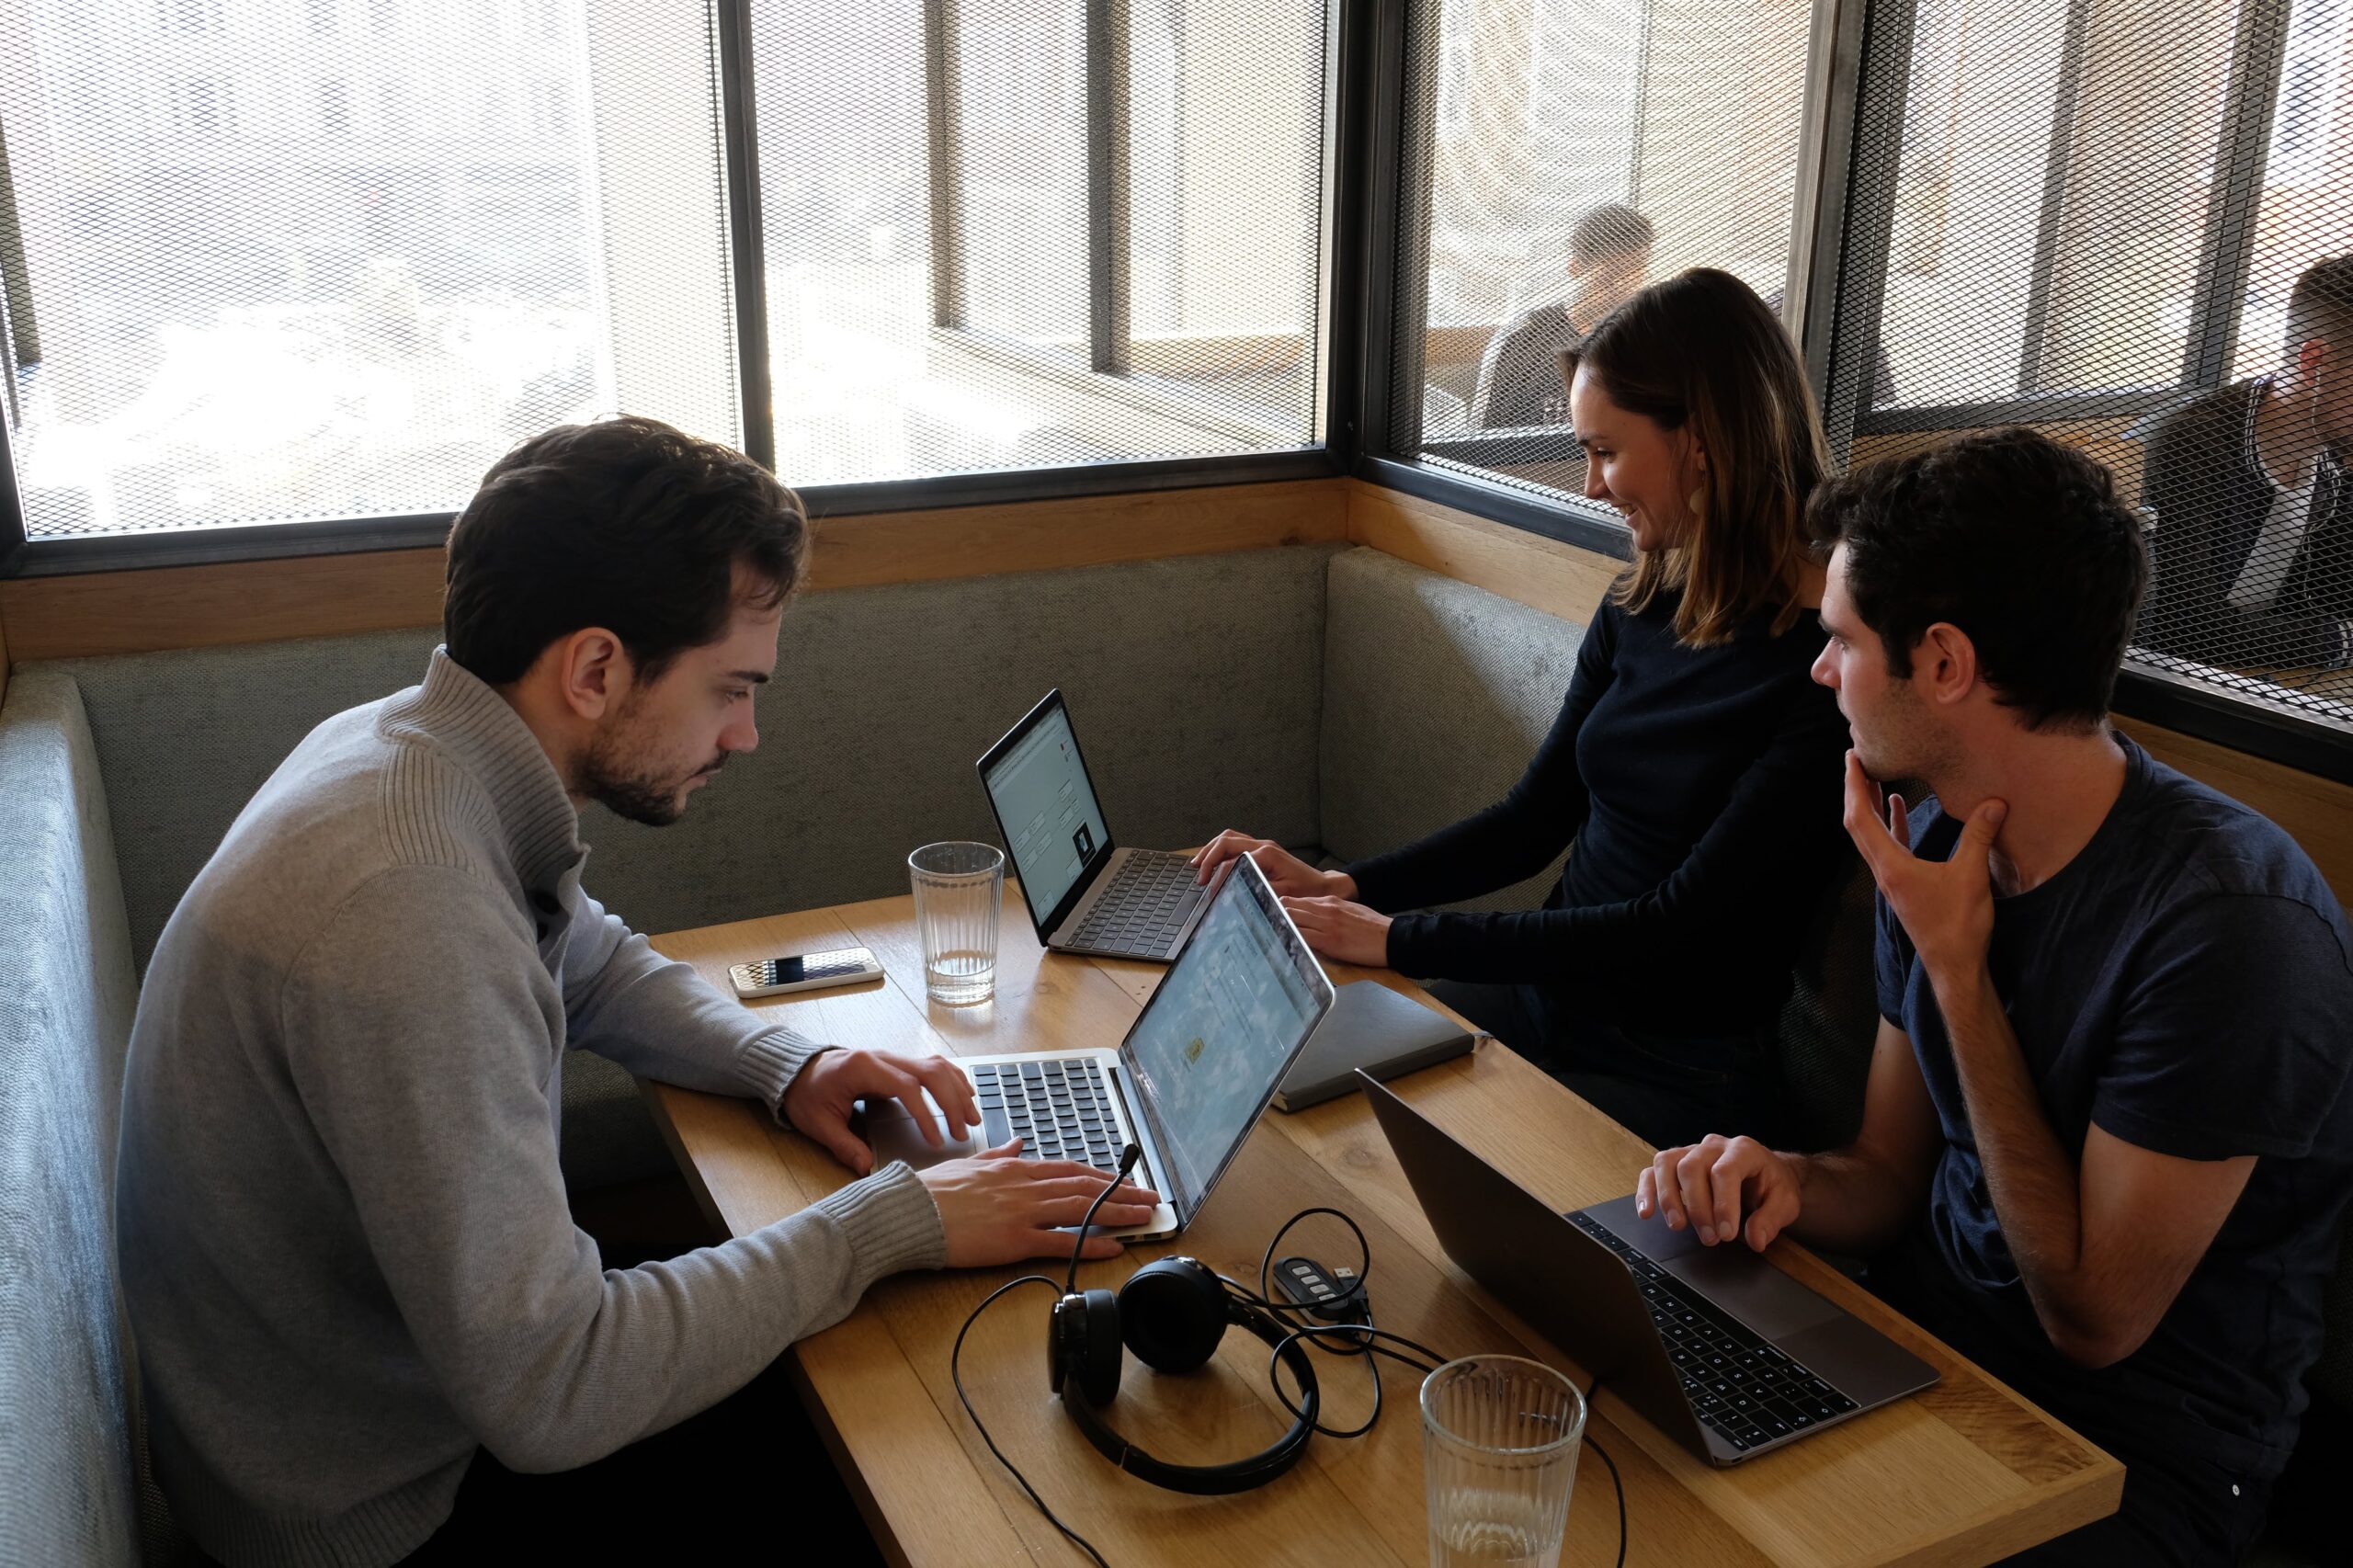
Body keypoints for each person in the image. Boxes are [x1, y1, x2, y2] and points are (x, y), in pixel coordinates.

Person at [114, 415, 1159, 1568]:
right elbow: (552, 1387)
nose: (747, 734)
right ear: (597, 668)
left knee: (889, 1375)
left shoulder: (403, 751)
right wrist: (895, 1221)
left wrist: (788, 1065)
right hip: (381, 1512)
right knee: (942, 1436)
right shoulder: (410, 906)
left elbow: (591, 957)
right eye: (730, 688)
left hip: (387, 1410)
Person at [1640, 427, 2353, 1563]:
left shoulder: (2232, 929)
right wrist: (1775, 1177)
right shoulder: (1930, 833)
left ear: (1944, 662)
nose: (1820, 671)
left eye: (1839, 640)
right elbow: (1884, 1176)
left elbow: (2091, 1320)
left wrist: (1959, 971)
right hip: (1917, 1348)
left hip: (2129, 1460)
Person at [1196, 268, 1853, 1150]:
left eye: (1607, 451)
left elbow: (1671, 924)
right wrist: (1346, 887)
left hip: (1678, 1068)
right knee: (1274, 1099)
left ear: (1702, 443)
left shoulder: (1828, 671)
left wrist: (1398, 938)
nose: (1589, 486)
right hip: (1540, 998)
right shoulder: (1643, 605)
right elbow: (1529, 822)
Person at [2142, 254, 2353, 672]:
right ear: (2314, 363)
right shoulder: (2195, 441)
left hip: (2282, 682)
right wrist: (2338, 639)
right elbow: (2188, 630)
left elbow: (2338, 595)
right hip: (2180, 698)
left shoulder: (2336, 454)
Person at [1469, 202, 1654, 429]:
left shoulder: (1648, 339)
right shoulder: (1523, 340)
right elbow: (1482, 436)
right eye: (1611, 275)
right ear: (1575, 268)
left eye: (1637, 270)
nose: (1625, 286)